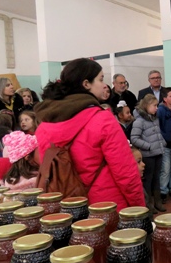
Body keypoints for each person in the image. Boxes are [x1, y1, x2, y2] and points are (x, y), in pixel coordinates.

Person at [35, 58, 144, 211]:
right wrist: (138, 209)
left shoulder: (45, 123)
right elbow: (126, 173)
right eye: (100, 79)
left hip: (66, 205)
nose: (105, 85)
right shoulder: (103, 119)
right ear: (86, 84)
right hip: (105, 206)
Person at [130, 93, 166, 214]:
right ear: (147, 106)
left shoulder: (155, 118)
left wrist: (162, 143)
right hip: (148, 155)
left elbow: (157, 134)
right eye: (154, 105)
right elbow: (134, 138)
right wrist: (149, 146)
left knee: (157, 179)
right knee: (148, 180)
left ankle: (158, 202)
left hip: (158, 152)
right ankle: (149, 205)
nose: (157, 108)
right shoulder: (139, 121)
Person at [157, 87, 171, 203]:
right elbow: (158, 127)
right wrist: (163, 140)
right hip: (166, 144)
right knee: (165, 169)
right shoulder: (161, 110)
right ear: (165, 99)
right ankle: (163, 191)